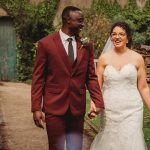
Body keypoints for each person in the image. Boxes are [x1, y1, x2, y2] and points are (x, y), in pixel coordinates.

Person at [31, 6, 104, 150]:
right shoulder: (46, 44)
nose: (83, 24)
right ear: (67, 20)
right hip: (54, 106)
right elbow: (38, 78)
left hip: (77, 106)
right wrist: (36, 108)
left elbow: (91, 77)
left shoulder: (86, 44)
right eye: (80, 21)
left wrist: (98, 101)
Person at [90, 21, 150, 150]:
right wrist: (94, 105)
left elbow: (144, 87)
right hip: (110, 109)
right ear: (111, 37)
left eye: (121, 34)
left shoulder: (137, 58)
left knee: (131, 140)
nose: (117, 37)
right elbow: (96, 87)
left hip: (132, 109)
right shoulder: (104, 59)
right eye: (114, 34)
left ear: (128, 38)